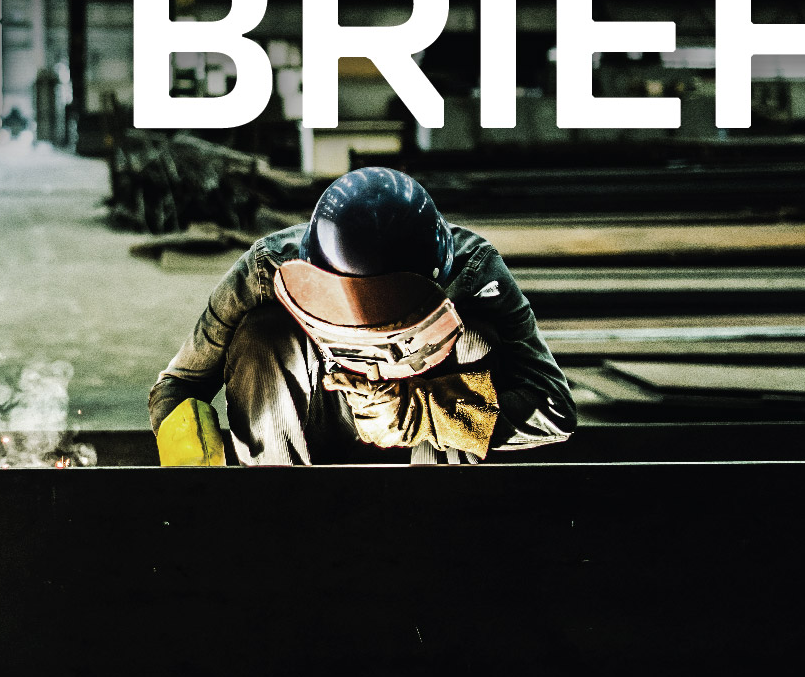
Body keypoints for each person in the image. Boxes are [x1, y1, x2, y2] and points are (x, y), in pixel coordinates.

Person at [150, 167, 573, 465]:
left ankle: (441, 533)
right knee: (261, 336)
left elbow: (554, 410)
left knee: (474, 340)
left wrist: (421, 412)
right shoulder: (265, 270)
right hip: (311, 430)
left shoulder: (474, 273)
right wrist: (194, 473)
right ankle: (273, 519)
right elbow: (178, 384)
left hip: (421, 448)